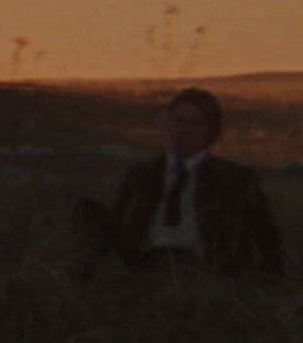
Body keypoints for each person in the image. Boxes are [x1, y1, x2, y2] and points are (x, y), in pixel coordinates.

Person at [73, 87, 284, 280]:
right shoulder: (141, 175)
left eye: (194, 124)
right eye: (177, 121)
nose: (182, 130)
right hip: (145, 271)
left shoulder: (236, 179)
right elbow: (119, 225)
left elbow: (268, 236)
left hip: (207, 275)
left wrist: (266, 283)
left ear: (212, 132)